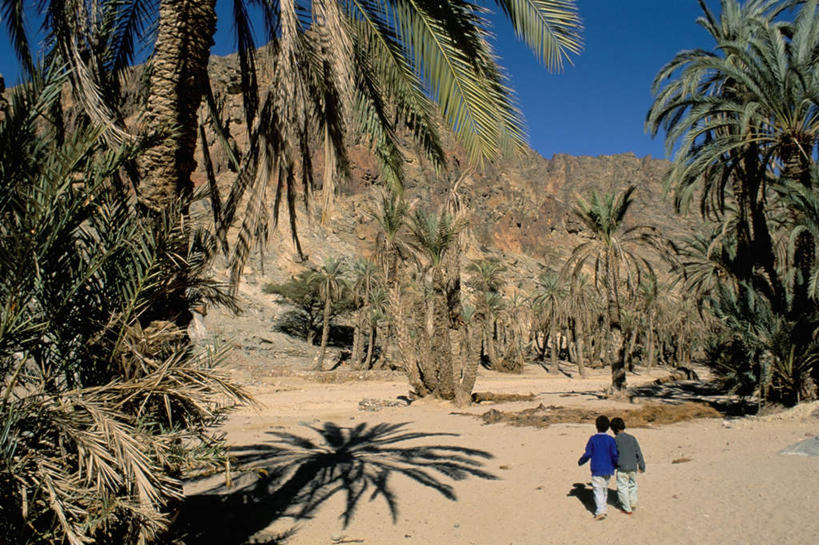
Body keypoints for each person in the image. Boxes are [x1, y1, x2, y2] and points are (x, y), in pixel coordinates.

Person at [578, 415, 618, 520]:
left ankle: (600, 511)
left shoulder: (593, 439)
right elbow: (614, 454)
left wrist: (581, 461)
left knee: (598, 490)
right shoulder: (610, 440)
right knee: (604, 488)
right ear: (608, 427)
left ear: (596, 426)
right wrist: (616, 464)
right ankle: (603, 508)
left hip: (597, 468)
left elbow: (588, 453)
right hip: (609, 468)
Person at [610, 417, 645, 515]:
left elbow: (613, 454)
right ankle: (632, 503)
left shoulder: (615, 440)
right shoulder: (632, 438)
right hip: (633, 466)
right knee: (632, 484)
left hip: (622, 467)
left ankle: (626, 508)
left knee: (622, 487)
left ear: (614, 429)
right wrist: (642, 465)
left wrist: (612, 465)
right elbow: (638, 453)